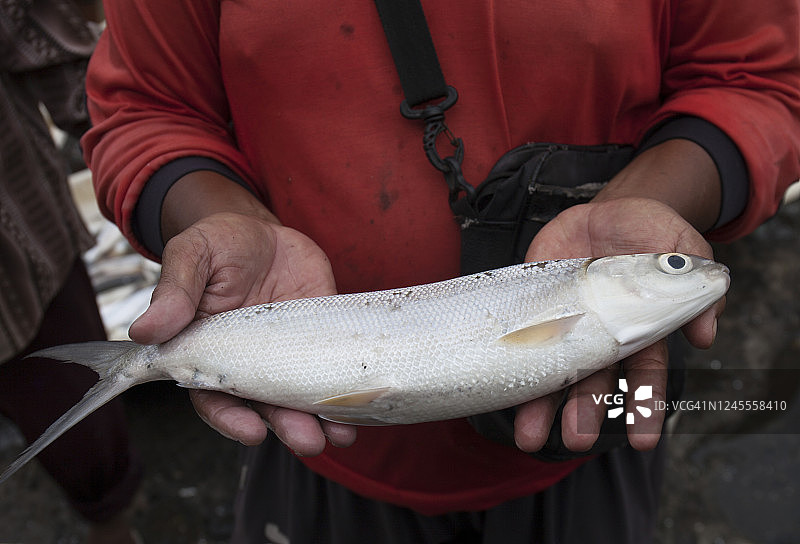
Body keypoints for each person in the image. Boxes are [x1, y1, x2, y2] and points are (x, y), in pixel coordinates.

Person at [82, 1, 800, 542]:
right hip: (319, 447)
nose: (700, 272)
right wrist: (216, 217)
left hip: (598, 424)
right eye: (674, 266)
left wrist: (657, 197)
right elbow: (143, 109)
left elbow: (759, 80)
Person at [0, 1, 142, 542]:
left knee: (81, 427)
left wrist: (145, 151)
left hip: (24, 264)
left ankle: (114, 527)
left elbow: (58, 54)